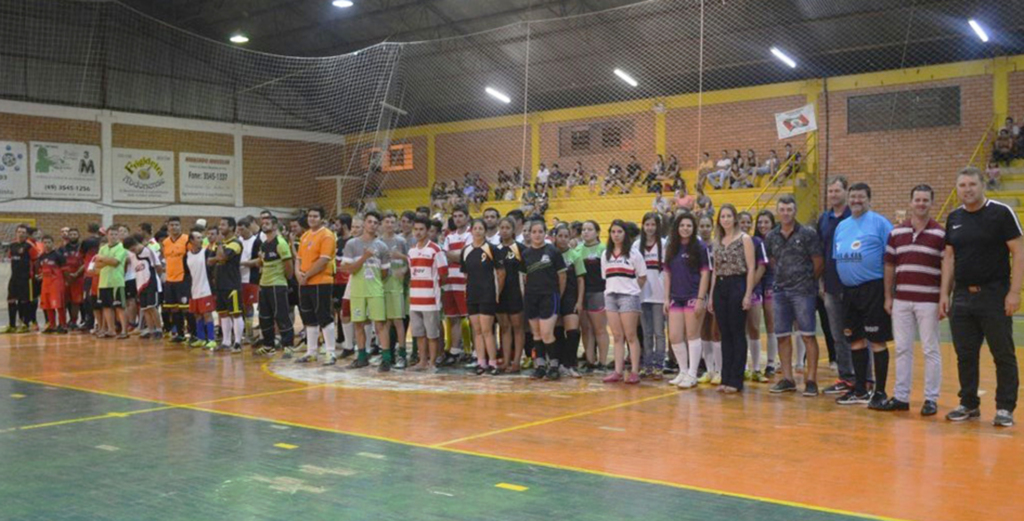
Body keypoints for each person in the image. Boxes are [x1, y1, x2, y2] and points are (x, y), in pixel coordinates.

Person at [940, 167, 1022, 427]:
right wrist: (945, 293)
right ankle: (968, 404)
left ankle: (1005, 407)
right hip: (962, 296)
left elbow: (1019, 253)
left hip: (994, 295)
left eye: (972, 184)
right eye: (962, 185)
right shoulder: (954, 218)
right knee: (965, 353)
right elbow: (949, 258)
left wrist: (1014, 292)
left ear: (982, 185)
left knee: (1003, 353)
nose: (967, 189)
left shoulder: (1000, 213)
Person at [882, 185, 944, 415]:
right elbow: (889, 265)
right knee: (902, 349)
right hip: (901, 301)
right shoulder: (896, 232)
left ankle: (931, 399)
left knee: (930, 349)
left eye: (925, 200)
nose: (920, 203)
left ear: (931, 203)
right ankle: (901, 396)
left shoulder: (940, 234)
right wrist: (889, 296)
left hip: (929, 301)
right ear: (910, 203)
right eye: (917, 199)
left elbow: (948, 269)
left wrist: (944, 298)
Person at [832, 183, 894, 408]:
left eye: (861, 197)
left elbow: (891, 259)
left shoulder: (880, 223)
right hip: (849, 291)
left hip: (873, 289)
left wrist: (889, 293)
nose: (856, 200)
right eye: (853, 197)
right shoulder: (843, 226)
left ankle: (879, 391)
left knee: (876, 341)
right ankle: (860, 389)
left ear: (869, 199)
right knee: (855, 340)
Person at [765, 195, 823, 396]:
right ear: (777, 211)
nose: (786, 213)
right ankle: (788, 378)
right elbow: (773, 261)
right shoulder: (771, 236)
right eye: (782, 209)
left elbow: (817, 261)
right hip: (780, 291)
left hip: (803, 292)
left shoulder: (807, 234)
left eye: (789, 209)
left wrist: (807, 282)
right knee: (782, 335)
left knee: (807, 335)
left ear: (795, 211)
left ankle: (811, 380)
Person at [708, 205, 755, 393]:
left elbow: (751, 268)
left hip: (738, 284)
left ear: (735, 218)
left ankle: (736, 379)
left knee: (737, 332)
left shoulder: (744, 239)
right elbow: (715, 270)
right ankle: (725, 377)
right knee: (724, 333)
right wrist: (711, 295)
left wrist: (747, 294)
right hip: (720, 286)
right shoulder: (717, 241)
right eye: (723, 216)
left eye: (729, 216)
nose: (726, 219)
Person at [817, 177, 858, 394]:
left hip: (854, 286)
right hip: (831, 286)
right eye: (830, 190)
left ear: (846, 192)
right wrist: (821, 281)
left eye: (837, 190)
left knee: (858, 333)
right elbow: (821, 253)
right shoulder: (824, 219)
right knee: (838, 334)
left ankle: (865, 379)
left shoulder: (855, 216)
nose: (833, 194)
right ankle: (845, 377)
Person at [664, 212, 711, 389]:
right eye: (682, 225)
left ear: (693, 228)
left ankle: (692, 373)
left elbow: (705, 273)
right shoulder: (672, 247)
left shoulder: (699, 247)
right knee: (675, 336)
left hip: (693, 295)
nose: (685, 229)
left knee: (692, 335)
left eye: (689, 226)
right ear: (677, 228)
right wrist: (666, 298)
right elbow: (667, 274)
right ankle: (682, 371)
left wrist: (700, 298)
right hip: (676, 297)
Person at [342, 211, 392, 371]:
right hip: (357, 291)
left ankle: (386, 359)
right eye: (369, 221)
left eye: (375, 222)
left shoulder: (382, 246)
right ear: (364, 223)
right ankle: (362, 357)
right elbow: (347, 269)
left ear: (378, 226)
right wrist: (364, 258)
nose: (372, 225)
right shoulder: (352, 244)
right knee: (358, 324)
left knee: (380, 325)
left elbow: (384, 273)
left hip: (375, 290)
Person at [601, 220, 648, 384]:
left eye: (619, 231)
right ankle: (618, 371)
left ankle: (635, 371)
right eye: (613, 232)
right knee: (617, 335)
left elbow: (642, 276)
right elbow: (605, 277)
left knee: (631, 335)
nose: (616, 235)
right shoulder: (605, 254)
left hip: (628, 296)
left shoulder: (634, 254)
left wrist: (633, 290)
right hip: (611, 296)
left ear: (625, 234)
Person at [521, 220, 567, 380]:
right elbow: (524, 277)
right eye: (534, 232)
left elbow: (562, 276)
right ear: (529, 234)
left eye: (540, 231)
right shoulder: (525, 254)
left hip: (549, 296)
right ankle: (540, 365)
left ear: (545, 233)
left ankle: (553, 365)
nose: (537, 235)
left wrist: (557, 295)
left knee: (547, 333)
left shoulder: (553, 251)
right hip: (531, 297)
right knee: (537, 334)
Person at [294, 207, 339, 366]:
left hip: (321, 282)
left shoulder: (327, 235)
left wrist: (306, 275)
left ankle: (330, 352)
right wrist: (298, 274)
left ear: (322, 218)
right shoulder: (305, 235)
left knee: (324, 316)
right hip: (305, 283)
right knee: (309, 318)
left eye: (315, 216)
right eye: (310, 216)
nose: (312, 219)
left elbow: (324, 260)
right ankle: (311, 352)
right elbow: (298, 258)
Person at [462, 219, 503, 375]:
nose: (478, 231)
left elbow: (500, 273)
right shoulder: (466, 250)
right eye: (475, 228)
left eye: (481, 228)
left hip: (488, 294)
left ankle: (492, 363)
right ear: (471, 231)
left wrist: (496, 293)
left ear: (485, 231)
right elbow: (466, 273)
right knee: (477, 330)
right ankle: (481, 362)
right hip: (472, 294)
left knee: (487, 330)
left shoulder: (491, 249)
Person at [408, 216, 448, 371]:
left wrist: (434, 289)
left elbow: (444, 274)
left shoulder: (435, 249)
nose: (418, 232)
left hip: (431, 300)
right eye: (416, 229)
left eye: (421, 229)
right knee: (418, 333)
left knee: (432, 334)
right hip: (415, 300)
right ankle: (422, 361)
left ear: (427, 231)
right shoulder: (411, 251)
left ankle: (432, 363)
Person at [255, 214, 294, 356]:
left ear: (275, 226)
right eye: (263, 223)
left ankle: (288, 345)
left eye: (267, 223)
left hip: (277, 285)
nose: (264, 225)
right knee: (264, 317)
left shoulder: (281, 243)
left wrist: (286, 280)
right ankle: (268, 345)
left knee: (281, 315)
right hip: (264, 285)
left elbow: (289, 266)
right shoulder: (264, 244)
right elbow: (262, 263)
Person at [737, 211, 769, 383]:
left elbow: (761, 267)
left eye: (748, 222)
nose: (745, 224)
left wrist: (748, 288)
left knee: (754, 327)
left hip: (753, 291)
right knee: (738, 330)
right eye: (741, 221)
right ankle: (741, 368)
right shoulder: (732, 242)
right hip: (735, 291)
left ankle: (756, 368)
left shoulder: (756, 242)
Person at [577, 220, 610, 371]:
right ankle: (590, 360)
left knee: (600, 329)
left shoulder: (603, 249)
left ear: (597, 232)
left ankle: (602, 362)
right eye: (584, 229)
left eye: (589, 229)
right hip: (582, 293)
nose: (586, 232)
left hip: (598, 292)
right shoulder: (577, 249)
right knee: (586, 328)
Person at [636, 213, 666, 378]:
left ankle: (659, 365)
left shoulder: (664, 244)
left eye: (653, 224)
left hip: (659, 295)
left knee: (659, 332)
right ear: (643, 226)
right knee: (646, 332)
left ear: (657, 226)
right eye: (647, 224)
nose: (650, 227)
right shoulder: (636, 245)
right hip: (642, 295)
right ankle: (647, 364)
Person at [441, 205, 472, 364]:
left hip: (464, 281)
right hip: (449, 282)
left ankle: (469, 350)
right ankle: (454, 350)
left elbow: (466, 256)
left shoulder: (471, 235)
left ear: (467, 217)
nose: (458, 219)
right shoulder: (449, 236)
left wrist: (454, 256)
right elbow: (445, 256)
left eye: (461, 215)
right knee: (452, 317)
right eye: (455, 216)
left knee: (466, 318)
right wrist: (456, 256)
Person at [554, 224, 586, 378]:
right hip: (553, 296)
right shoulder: (550, 254)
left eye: (566, 236)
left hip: (570, 297)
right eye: (560, 236)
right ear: (555, 237)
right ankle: (559, 363)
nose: (563, 239)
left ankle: (570, 364)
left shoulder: (575, 256)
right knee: (557, 331)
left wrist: (579, 301)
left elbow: (580, 280)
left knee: (573, 331)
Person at [496, 217, 527, 373]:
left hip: (516, 292)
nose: (504, 230)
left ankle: (517, 362)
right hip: (500, 294)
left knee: (518, 327)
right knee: (504, 327)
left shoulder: (520, 248)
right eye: (502, 227)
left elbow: (525, 273)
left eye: (508, 227)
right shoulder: (495, 249)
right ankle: (506, 360)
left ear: (513, 230)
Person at [380, 211, 410, 368]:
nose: (389, 225)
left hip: (396, 286)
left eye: (392, 222)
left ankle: (402, 354)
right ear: (382, 224)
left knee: (398, 321)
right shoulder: (377, 242)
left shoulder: (401, 241)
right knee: (384, 322)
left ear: (396, 224)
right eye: (387, 222)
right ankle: (386, 354)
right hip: (381, 285)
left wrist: (404, 271)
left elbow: (410, 261)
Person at [210, 217, 245, 353]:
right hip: (219, 284)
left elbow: (221, 257)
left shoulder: (235, 243)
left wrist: (219, 247)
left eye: (223, 224)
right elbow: (210, 260)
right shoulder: (221, 244)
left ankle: (237, 342)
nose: (220, 227)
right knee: (223, 313)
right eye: (220, 224)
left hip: (232, 284)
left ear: (231, 227)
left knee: (236, 313)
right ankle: (225, 341)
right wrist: (218, 255)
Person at [93, 225, 129, 339]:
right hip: (103, 282)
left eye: (115, 234)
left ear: (118, 236)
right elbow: (97, 264)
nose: (113, 236)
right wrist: (106, 260)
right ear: (107, 235)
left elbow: (115, 262)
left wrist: (102, 259)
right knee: (106, 307)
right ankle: (111, 330)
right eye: (111, 234)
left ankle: (124, 331)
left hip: (116, 281)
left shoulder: (121, 248)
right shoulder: (103, 248)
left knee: (119, 307)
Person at [754, 210, 779, 376]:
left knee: (771, 324)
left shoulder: (777, 240)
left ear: (772, 224)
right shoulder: (753, 241)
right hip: (756, 282)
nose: (763, 225)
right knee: (753, 326)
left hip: (772, 281)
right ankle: (754, 365)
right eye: (760, 222)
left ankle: (771, 362)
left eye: (766, 222)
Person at [184, 229, 217, 350]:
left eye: (201, 237)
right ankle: (201, 339)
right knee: (197, 315)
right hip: (194, 289)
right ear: (191, 240)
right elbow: (187, 274)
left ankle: (212, 339)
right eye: (198, 237)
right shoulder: (186, 256)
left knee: (207, 314)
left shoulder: (207, 253)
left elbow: (212, 270)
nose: (201, 239)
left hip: (206, 288)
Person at [2, 225, 38, 333]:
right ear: (16, 233)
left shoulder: (29, 246)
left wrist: (35, 274)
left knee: (24, 301)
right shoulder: (12, 245)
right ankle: (12, 325)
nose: (21, 234)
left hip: (26, 278)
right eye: (19, 232)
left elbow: (36, 261)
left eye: (23, 232)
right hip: (14, 278)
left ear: (26, 234)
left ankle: (24, 324)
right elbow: (10, 258)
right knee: (11, 300)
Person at [126, 234, 162, 340]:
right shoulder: (131, 256)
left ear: (137, 244)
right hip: (140, 285)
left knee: (152, 307)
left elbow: (158, 266)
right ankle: (151, 331)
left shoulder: (148, 251)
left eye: (133, 249)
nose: (133, 251)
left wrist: (156, 280)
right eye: (131, 250)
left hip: (151, 283)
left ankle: (158, 330)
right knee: (145, 309)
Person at [161, 217, 191, 343]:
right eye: (171, 225)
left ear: (181, 226)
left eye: (176, 225)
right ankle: (179, 333)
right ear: (168, 227)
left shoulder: (186, 240)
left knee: (186, 307)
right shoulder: (165, 242)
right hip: (170, 278)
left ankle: (193, 333)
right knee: (173, 308)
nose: (174, 227)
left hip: (183, 278)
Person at [237, 217, 262, 345]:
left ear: (249, 228)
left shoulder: (256, 242)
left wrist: (242, 263)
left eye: (242, 229)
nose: (240, 232)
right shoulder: (238, 241)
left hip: (251, 278)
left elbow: (259, 260)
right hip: (237, 278)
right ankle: (241, 332)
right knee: (240, 306)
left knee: (249, 305)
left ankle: (250, 333)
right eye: (239, 229)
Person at [36, 235, 67, 334]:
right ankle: (52, 325)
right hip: (45, 284)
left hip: (56, 283)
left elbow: (64, 270)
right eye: (45, 242)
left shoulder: (58, 255)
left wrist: (66, 281)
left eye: (49, 242)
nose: (47, 244)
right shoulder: (41, 256)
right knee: (47, 305)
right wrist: (40, 275)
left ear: (52, 243)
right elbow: (40, 269)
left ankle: (63, 325)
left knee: (58, 305)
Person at [60, 228, 85, 330]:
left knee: (76, 301)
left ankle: (74, 321)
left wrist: (77, 274)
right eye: (71, 234)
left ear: (78, 236)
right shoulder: (62, 249)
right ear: (68, 236)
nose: (73, 236)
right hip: (65, 278)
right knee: (64, 301)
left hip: (78, 278)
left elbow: (85, 262)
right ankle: (63, 322)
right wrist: (67, 275)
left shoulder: (82, 248)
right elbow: (59, 263)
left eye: (75, 234)